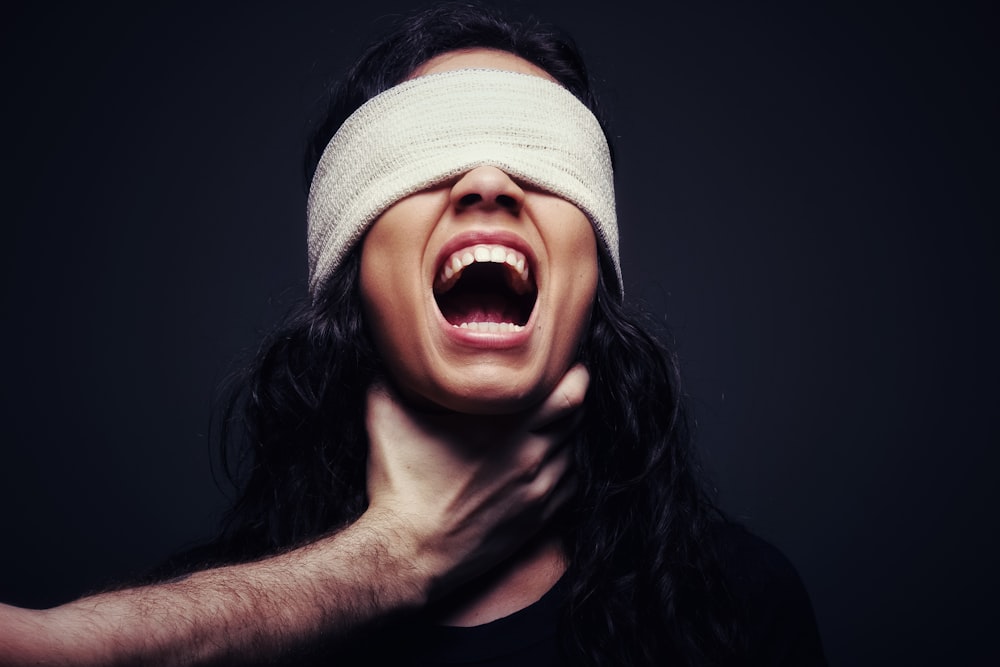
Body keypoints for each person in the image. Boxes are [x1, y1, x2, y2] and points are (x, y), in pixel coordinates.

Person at [0, 3, 826, 665]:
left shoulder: (738, 605)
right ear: (350, 263)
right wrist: (392, 555)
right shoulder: (197, 633)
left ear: (595, 265)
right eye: (431, 152)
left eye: (538, 154)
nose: (490, 181)